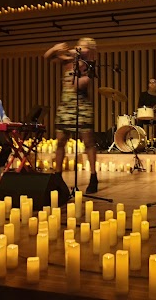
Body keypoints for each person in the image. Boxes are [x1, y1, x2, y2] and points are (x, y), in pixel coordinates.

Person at [44, 37, 99, 194]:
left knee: (88, 142)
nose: (80, 49)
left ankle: (93, 177)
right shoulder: (67, 60)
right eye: (79, 46)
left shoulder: (89, 67)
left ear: (90, 51)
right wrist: (56, 48)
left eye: (84, 47)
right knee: (60, 141)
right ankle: (57, 176)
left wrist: (75, 65)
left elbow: (78, 85)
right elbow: (47, 57)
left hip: (82, 107)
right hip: (65, 106)